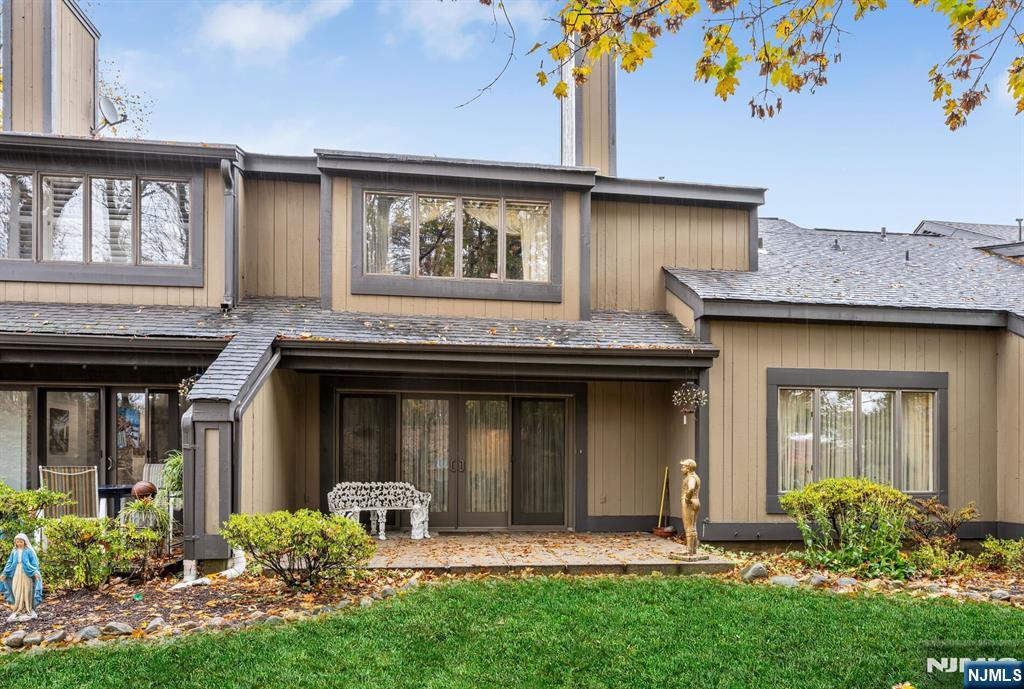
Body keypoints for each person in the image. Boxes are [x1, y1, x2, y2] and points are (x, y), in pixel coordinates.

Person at [1, 533, 43, 622]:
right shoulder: (14, 552)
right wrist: (5, 573)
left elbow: (34, 563)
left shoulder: (29, 551)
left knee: (27, 590)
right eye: (17, 542)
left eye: (21, 542)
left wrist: (35, 571)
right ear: (15, 543)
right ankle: (18, 609)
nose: (19, 543)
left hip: (27, 573)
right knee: (16, 589)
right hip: (16, 571)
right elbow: (9, 563)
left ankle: (28, 609)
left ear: (24, 542)